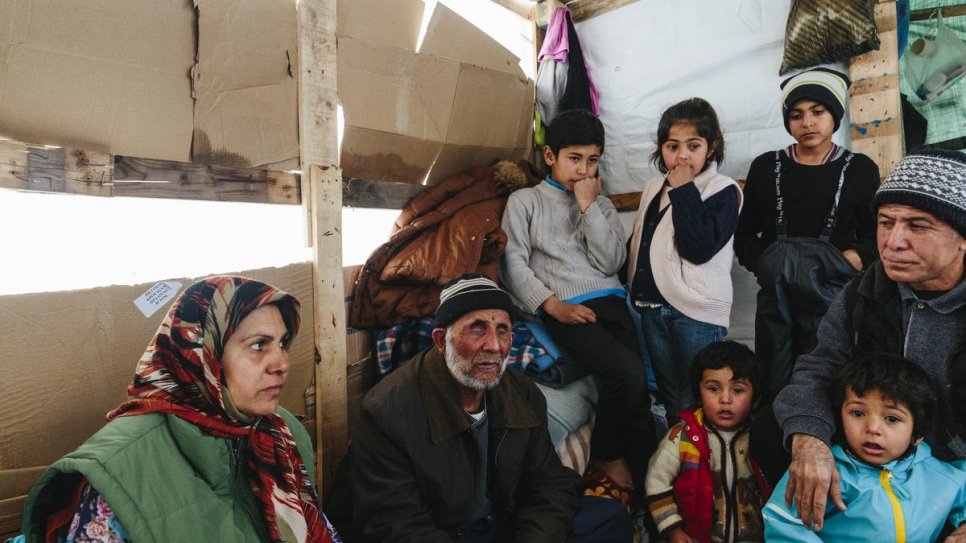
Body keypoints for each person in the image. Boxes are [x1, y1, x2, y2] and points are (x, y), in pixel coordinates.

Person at [17, 276, 341, 542]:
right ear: (201, 352)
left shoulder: (280, 431)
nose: (282, 363)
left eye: (283, 343)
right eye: (258, 345)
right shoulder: (120, 472)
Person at [768, 149, 966, 539]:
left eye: (918, 226)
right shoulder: (866, 291)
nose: (893, 242)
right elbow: (820, 366)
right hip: (881, 465)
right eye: (885, 222)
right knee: (773, 432)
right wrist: (809, 439)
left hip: (954, 477)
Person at [350, 274, 593, 542]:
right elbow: (398, 526)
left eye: (502, 330)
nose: (494, 346)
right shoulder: (386, 412)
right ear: (441, 341)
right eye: (477, 329)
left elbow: (546, 484)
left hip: (499, 523)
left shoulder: (523, 393)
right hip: (442, 532)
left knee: (606, 519)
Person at [500, 108, 656, 497]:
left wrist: (589, 207)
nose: (584, 170)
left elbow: (611, 262)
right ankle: (605, 454)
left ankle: (648, 493)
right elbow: (513, 263)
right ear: (550, 156)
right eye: (574, 159)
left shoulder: (599, 204)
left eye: (592, 160)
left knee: (640, 396)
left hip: (613, 304)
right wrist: (552, 306)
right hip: (566, 307)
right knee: (628, 376)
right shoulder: (525, 202)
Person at [734, 67, 880, 402]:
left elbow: (876, 237)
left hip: (832, 293)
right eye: (797, 115)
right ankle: (778, 451)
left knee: (829, 375)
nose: (808, 123)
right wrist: (765, 265)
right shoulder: (765, 167)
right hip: (776, 294)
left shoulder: (860, 170)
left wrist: (852, 259)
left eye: (818, 112)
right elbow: (744, 233)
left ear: (835, 116)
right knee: (774, 378)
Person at [764, 354, 966, 541]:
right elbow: (782, 521)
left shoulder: (939, 476)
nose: (872, 428)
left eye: (892, 418)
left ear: (918, 434)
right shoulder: (825, 472)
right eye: (858, 413)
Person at [626, 98, 742, 423]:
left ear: (712, 146)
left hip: (696, 313)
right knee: (672, 395)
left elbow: (698, 247)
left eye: (694, 145)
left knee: (700, 395)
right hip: (653, 309)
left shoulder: (724, 190)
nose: (682, 156)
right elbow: (643, 240)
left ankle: (707, 465)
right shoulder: (653, 188)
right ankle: (682, 461)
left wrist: (685, 190)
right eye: (672, 145)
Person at [645, 340, 768, 543]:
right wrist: (673, 529)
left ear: (755, 396)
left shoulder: (762, 436)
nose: (725, 399)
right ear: (698, 392)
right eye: (713, 389)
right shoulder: (683, 436)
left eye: (738, 390)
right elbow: (656, 481)